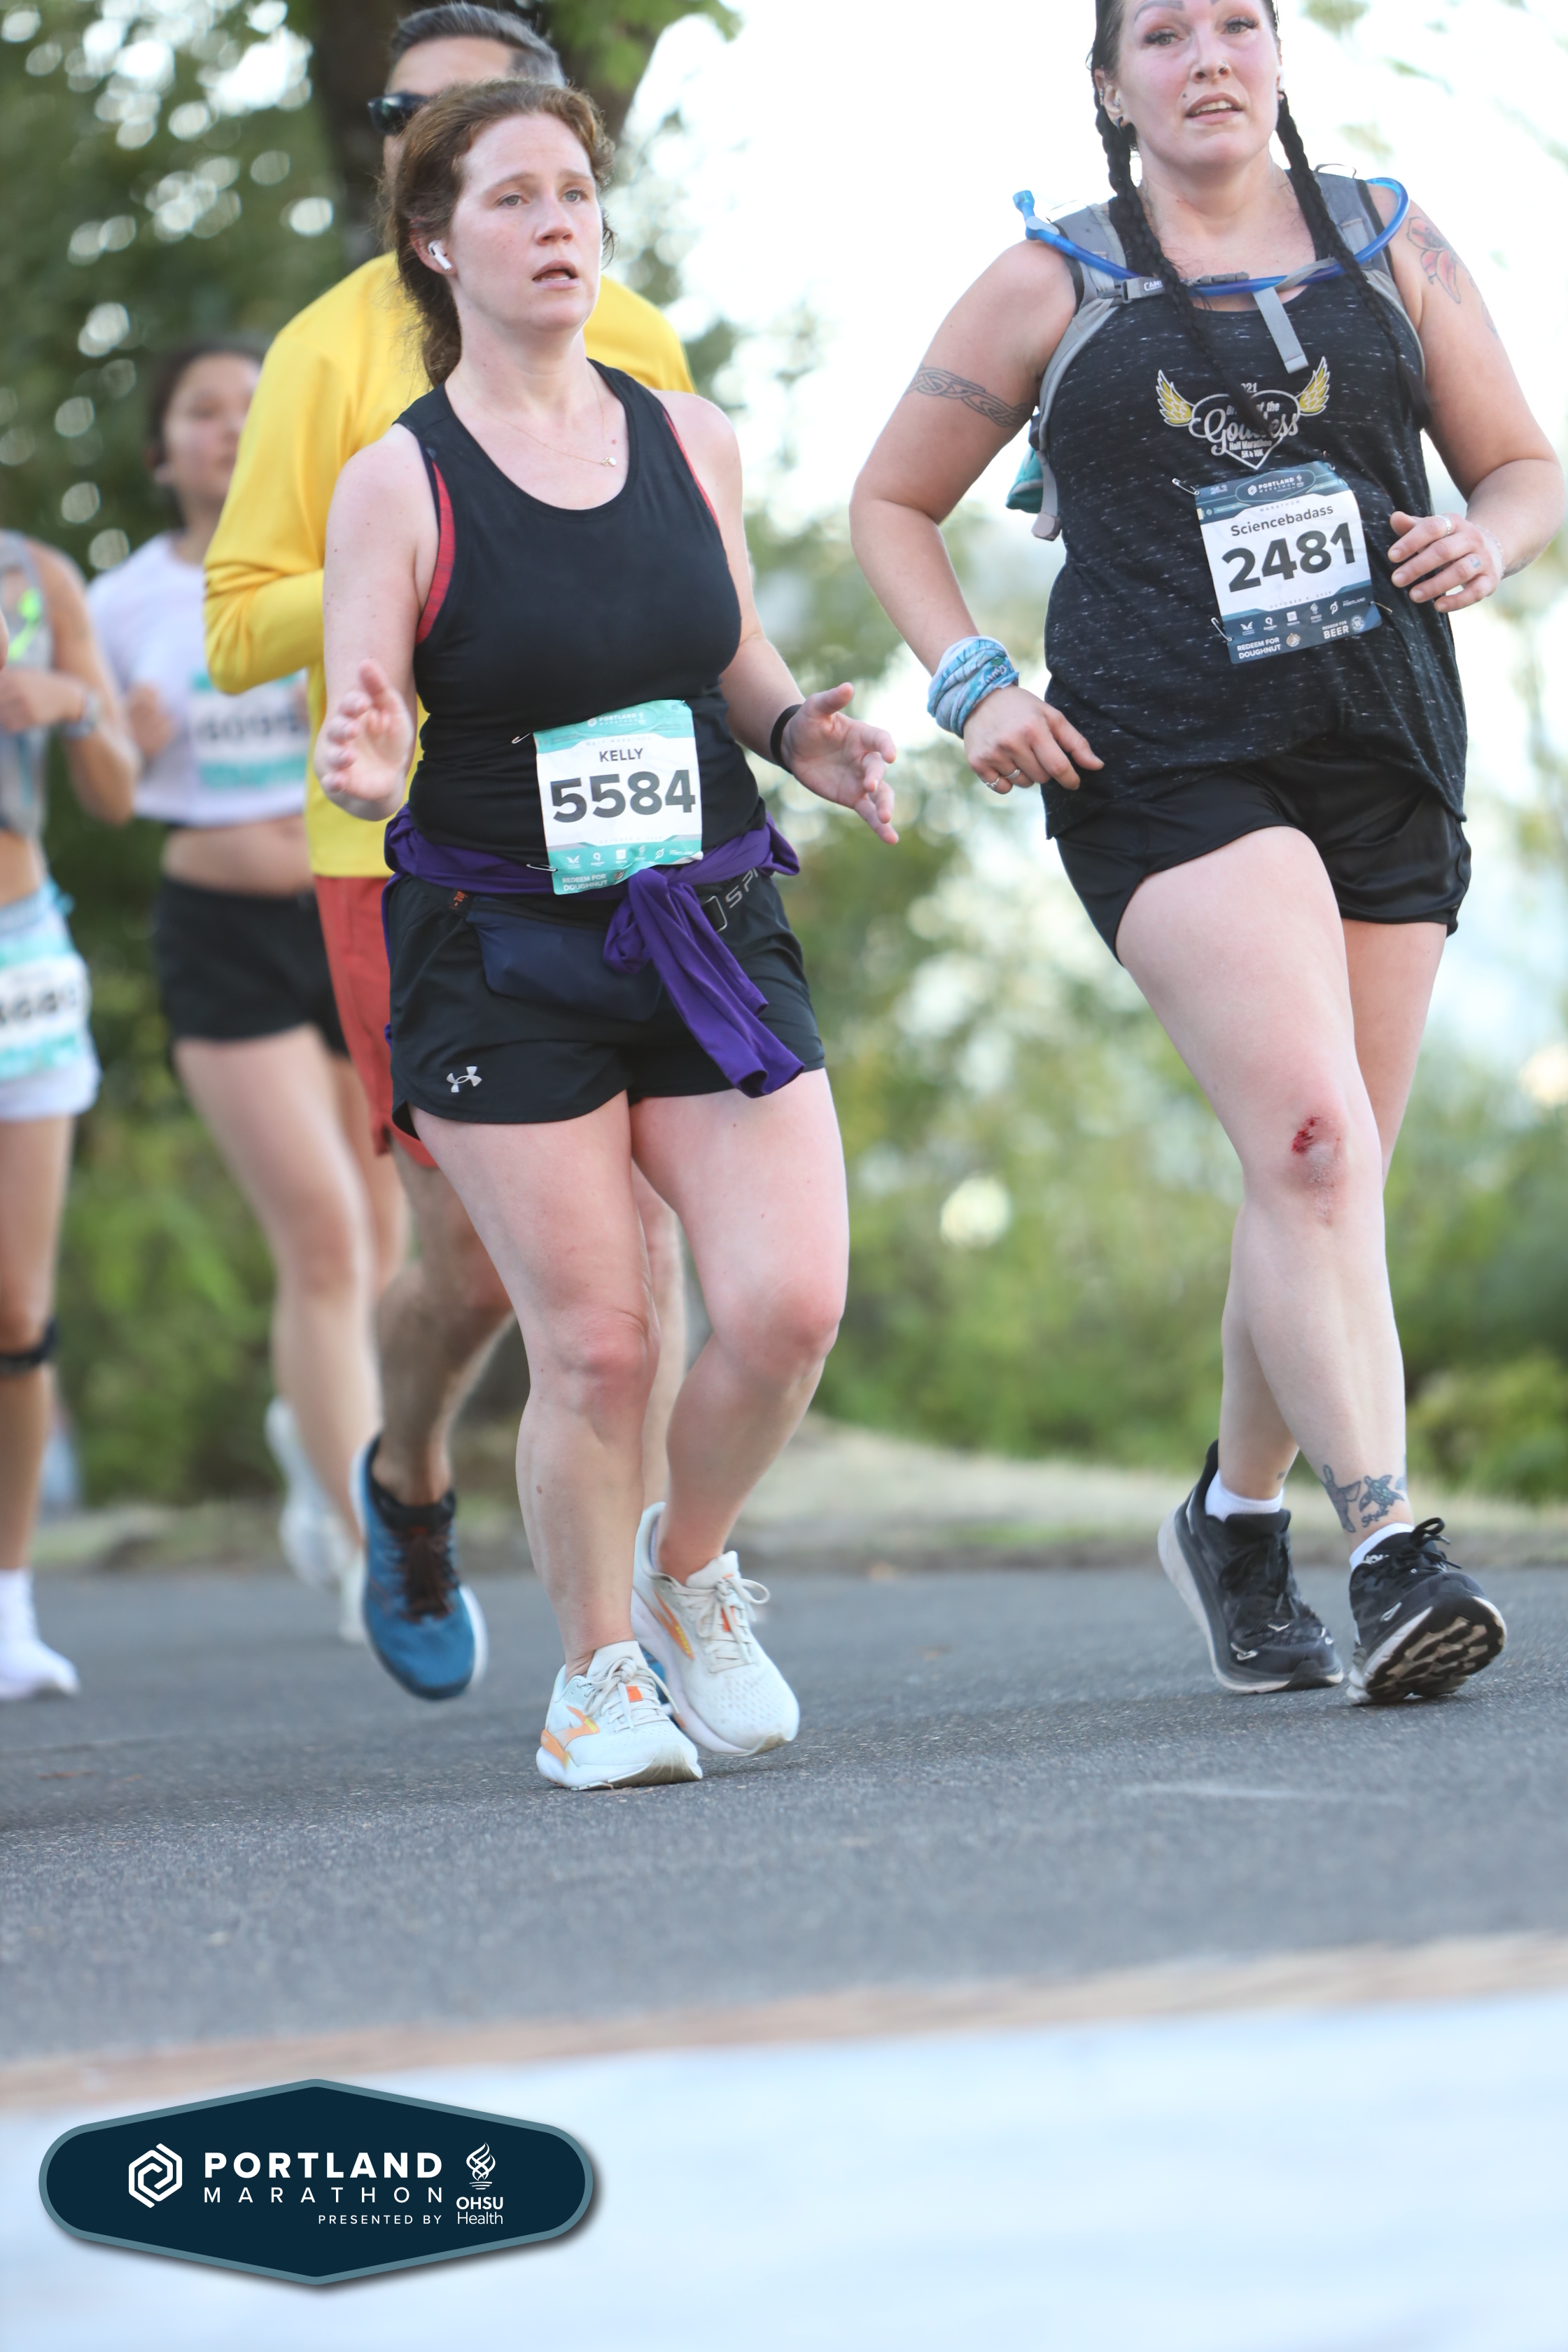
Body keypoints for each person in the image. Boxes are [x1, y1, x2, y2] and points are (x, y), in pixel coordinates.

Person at [850, 0, 1564, 1704]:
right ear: (1111, 86)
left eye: (1235, 20)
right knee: (1311, 1144)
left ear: (1277, 55)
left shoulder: (1387, 240)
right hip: (1159, 759)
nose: (1206, 57)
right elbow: (889, 503)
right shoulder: (1051, 279)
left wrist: (1485, 540)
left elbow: (1524, 468)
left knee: (1320, 1175)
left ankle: (1233, 1514)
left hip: (1381, 741)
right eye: (1161, 35)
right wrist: (971, 683)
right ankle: (1388, 1547)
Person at [316, 77, 896, 1784]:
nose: (556, 222)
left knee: (786, 1308)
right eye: (511, 198)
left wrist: (801, 736)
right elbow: (367, 718)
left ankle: (685, 1567)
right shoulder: (397, 481)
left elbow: (727, 653)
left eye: (573, 192)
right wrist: (362, 758)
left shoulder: (687, 438)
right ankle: (594, 1681)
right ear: (437, 244)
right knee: (595, 1341)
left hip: (704, 923)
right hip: (505, 950)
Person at [206, 4, 696, 1700]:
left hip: (638, 838)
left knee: (649, 1240)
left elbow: (692, 585)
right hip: (406, 852)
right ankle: (408, 1474)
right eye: (425, 118)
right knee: (479, 1267)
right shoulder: (326, 353)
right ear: (404, 177)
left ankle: (645, 1614)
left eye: (513, 112)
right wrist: (418, 571)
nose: (475, 141)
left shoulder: (630, 332)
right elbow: (235, 621)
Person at [90, 343, 400, 1643]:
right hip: (220, 928)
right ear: (160, 451)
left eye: (249, 405)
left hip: (356, 905)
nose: (229, 427)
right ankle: (373, 1548)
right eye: (200, 411)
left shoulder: (350, 554)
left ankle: (310, 1423)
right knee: (323, 1238)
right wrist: (120, 747)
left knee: (388, 1242)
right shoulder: (118, 604)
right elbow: (100, 795)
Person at [0, 522, 137, 1698]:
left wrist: (73, 704)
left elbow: (115, 792)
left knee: (15, 1303)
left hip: (22, 956)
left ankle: (9, 1605)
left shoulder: (35, 579)